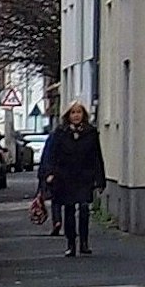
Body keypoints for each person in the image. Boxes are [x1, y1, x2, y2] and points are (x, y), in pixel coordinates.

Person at [42, 101, 107, 257]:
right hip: (65, 176)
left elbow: (97, 156)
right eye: (73, 113)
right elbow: (52, 155)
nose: (76, 116)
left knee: (84, 208)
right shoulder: (60, 133)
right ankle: (71, 243)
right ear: (68, 116)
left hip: (84, 176)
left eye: (79, 112)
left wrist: (100, 179)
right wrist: (50, 173)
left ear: (83, 115)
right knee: (69, 210)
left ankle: (84, 242)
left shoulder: (90, 132)